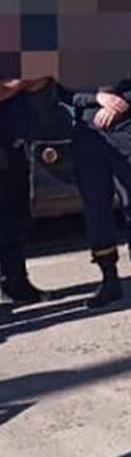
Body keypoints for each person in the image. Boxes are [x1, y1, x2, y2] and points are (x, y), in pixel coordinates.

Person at [59, 44, 131, 311]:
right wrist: (96, 99)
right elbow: (62, 91)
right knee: (96, 207)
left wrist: (123, 102)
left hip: (127, 131)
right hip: (88, 133)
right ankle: (109, 280)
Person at [0, 79, 50, 311]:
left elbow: (44, 77)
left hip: (14, 137)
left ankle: (16, 281)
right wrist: (20, 83)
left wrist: (19, 84)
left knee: (17, 215)